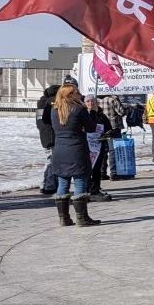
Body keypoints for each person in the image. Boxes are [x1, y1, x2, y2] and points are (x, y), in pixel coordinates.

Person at [46, 83, 100, 226]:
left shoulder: (54, 110)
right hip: (76, 150)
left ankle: (64, 218)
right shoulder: (78, 109)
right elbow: (91, 128)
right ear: (70, 95)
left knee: (63, 183)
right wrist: (92, 112)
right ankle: (81, 218)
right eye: (76, 92)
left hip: (59, 151)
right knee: (80, 181)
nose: (79, 94)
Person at [82, 95, 113, 202]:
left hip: (98, 147)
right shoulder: (83, 114)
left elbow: (108, 128)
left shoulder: (102, 116)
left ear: (97, 103)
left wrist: (111, 133)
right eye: (88, 101)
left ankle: (95, 189)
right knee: (86, 169)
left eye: (93, 101)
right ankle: (86, 189)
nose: (91, 103)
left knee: (97, 170)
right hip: (85, 147)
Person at [37, 85, 60, 195]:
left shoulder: (41, 104)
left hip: (44, 135)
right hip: (51, 135)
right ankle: (49, 185)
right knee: (51, 161)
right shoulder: (51, 103)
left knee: (49, 160)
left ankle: (44, 184)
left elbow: (39, 122)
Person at [98, 94, 125, 179]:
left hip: (100, 127)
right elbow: (121, 112)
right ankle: (114, 173)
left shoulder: (95, 98)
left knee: (102, 151)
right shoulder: (112, 99)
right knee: (113, 151)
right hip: (113, 127)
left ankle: (102, 173)